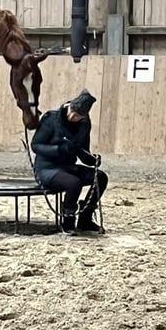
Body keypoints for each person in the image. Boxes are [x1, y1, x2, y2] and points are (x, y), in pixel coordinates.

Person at [31, 88, 108, 235]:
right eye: (71, 111)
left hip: (68, 167)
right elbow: (36, 145)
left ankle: (85, 218)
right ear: (68, 106)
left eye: (77, 115)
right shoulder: (51, 118)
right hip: (47, 168)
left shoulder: (84, 125)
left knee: (100, 177)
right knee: (74, 183)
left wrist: (92, 160)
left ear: (83, 117)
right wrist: (58, 149)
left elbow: (82, 151)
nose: (72, 116)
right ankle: (68, 220)